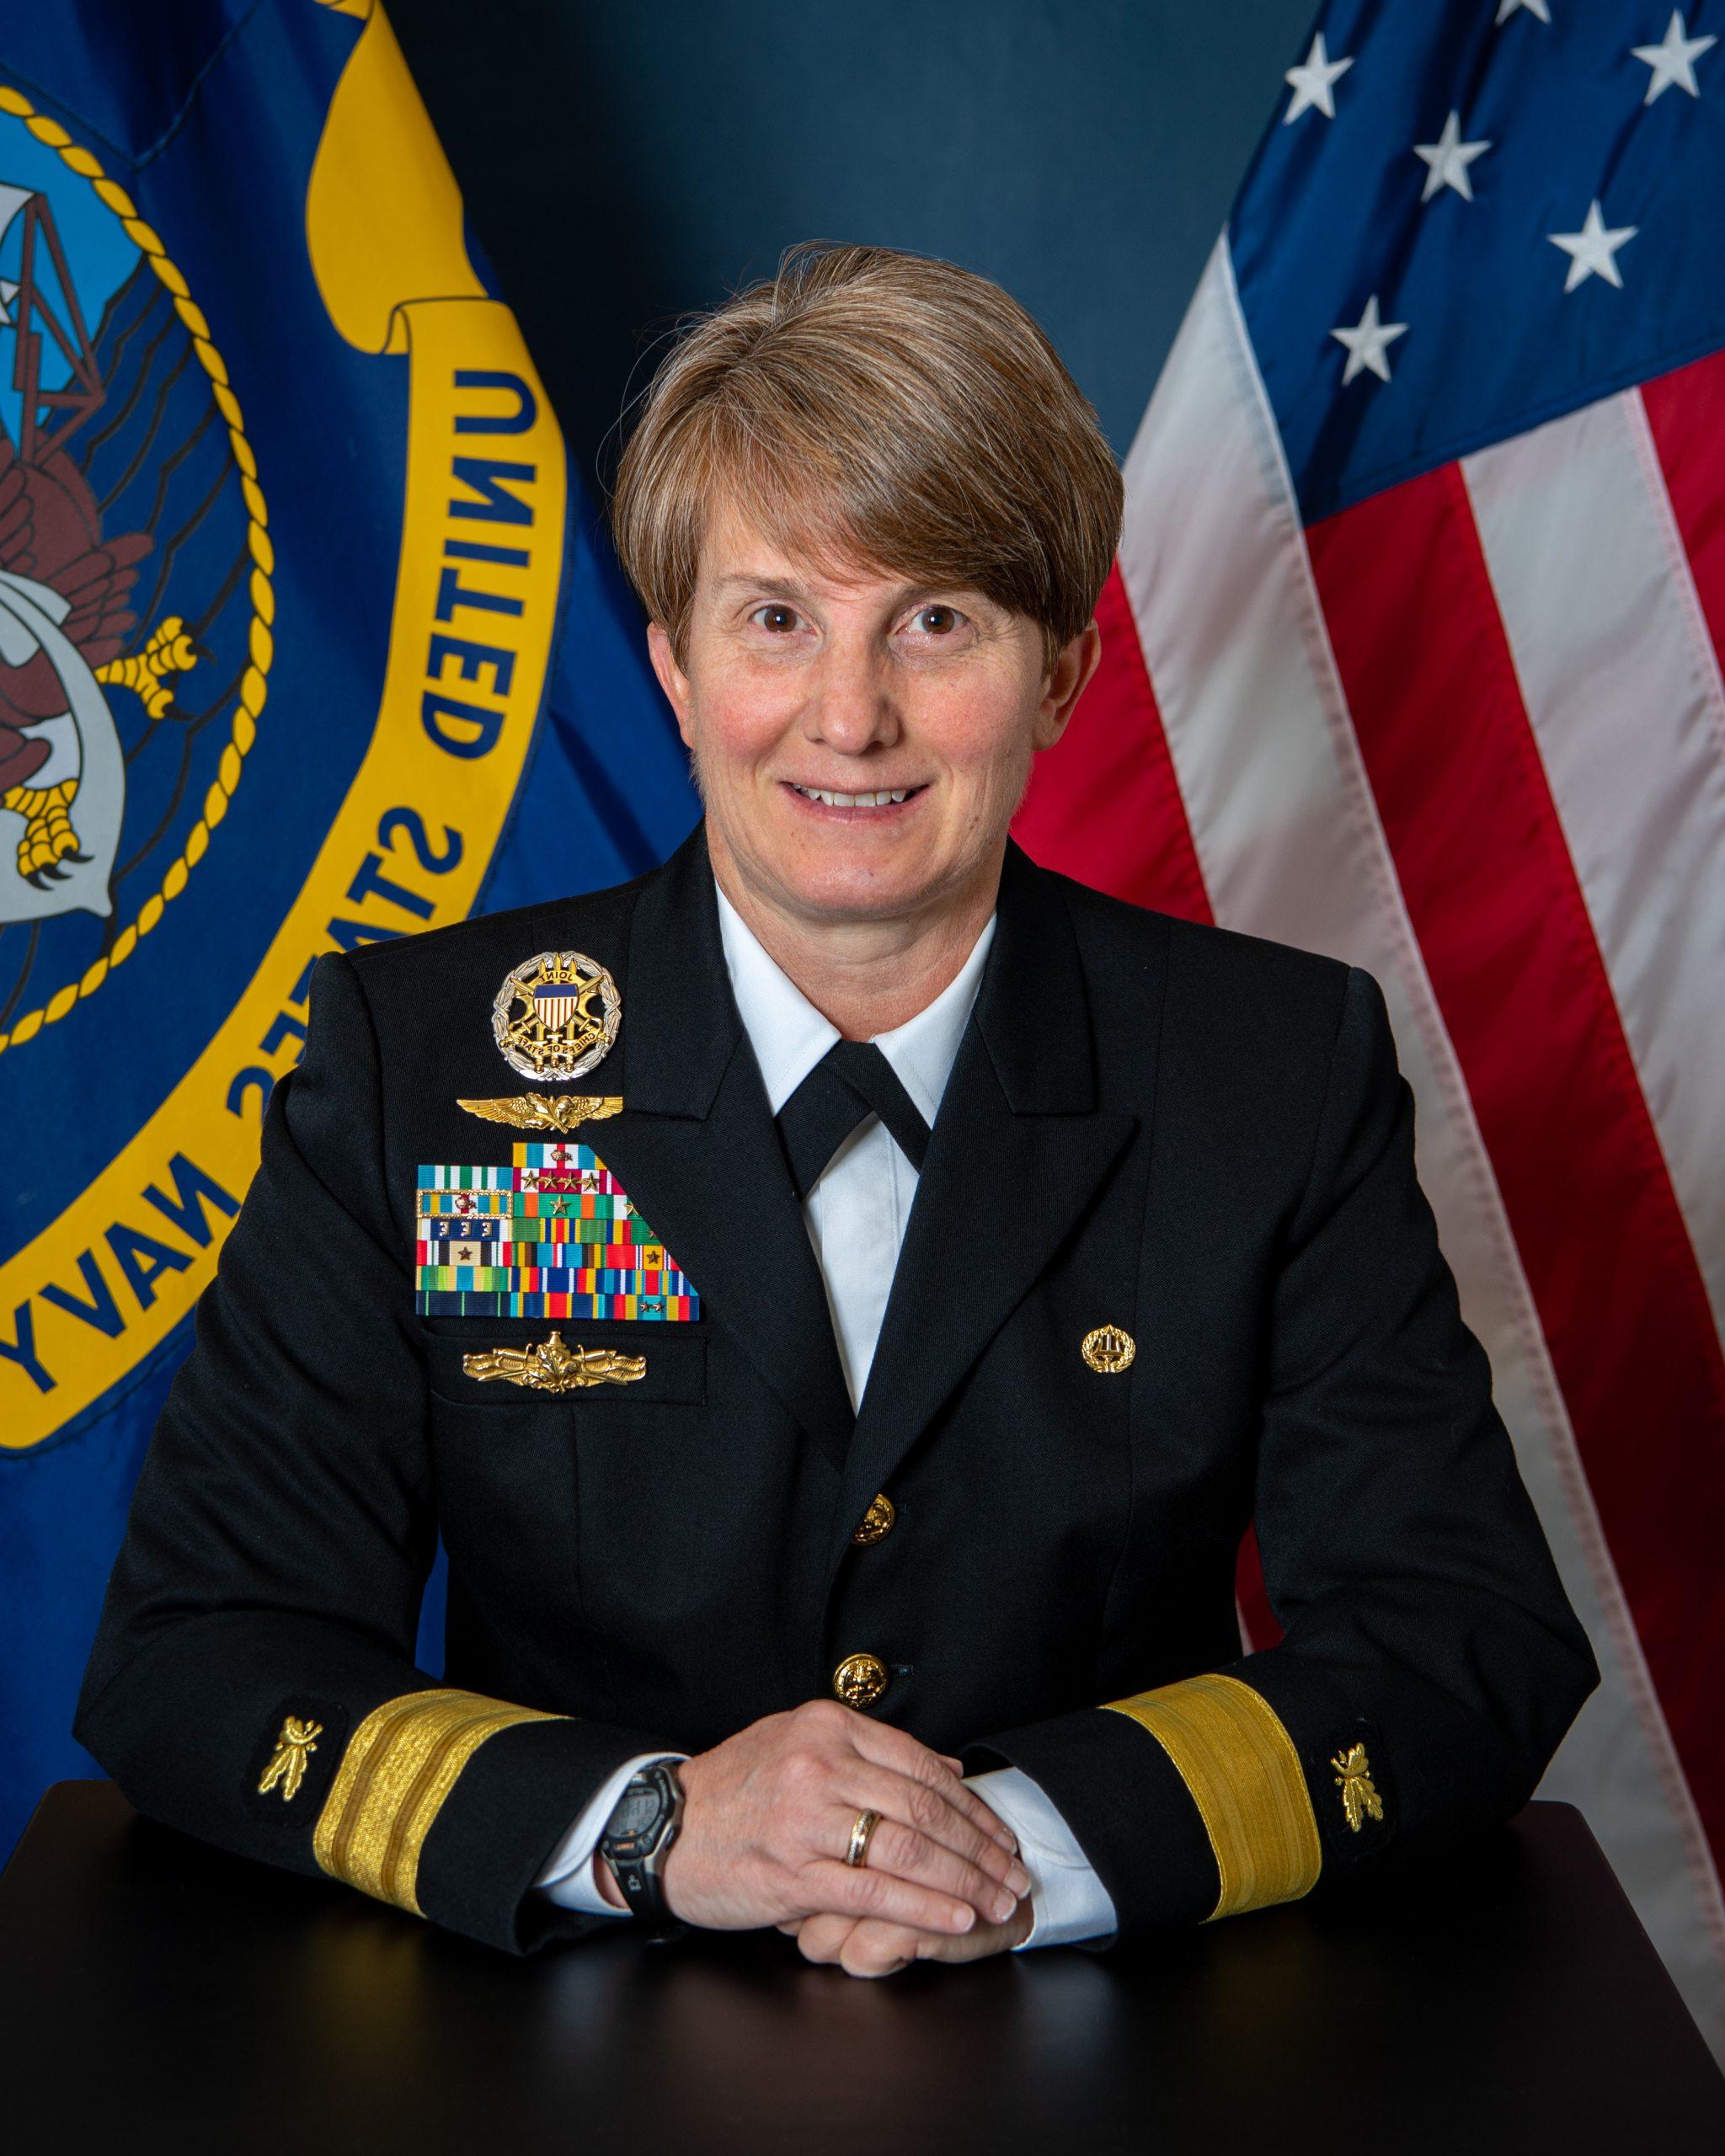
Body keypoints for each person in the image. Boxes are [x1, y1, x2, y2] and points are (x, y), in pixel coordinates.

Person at [75, 242, 1597, 1979]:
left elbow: (1458, 1632)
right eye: (775, 616)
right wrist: (649, 1825)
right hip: (554, 2033)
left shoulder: (1267, 1068)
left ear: (1061, 674)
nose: (851, 714)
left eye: (935, 619)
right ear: (671, 664)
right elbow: (198, 1649)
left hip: (1094, 2018)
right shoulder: (418, 1063)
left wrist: (999, 1848)